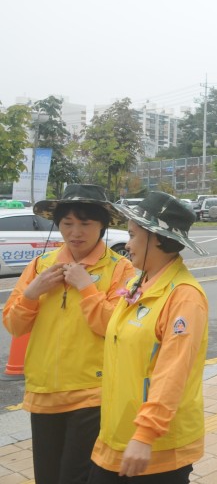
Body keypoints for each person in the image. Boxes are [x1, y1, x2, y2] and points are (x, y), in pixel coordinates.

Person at [2, 185, 134, 484]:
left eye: (86, 223)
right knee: (47, 477)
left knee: (76, 477)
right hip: (43, 392)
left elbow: (115, 328)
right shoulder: (41, 266)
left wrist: (86, 287)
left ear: (102, 225)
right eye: (67, 223)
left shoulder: (120, 269)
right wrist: (32, 294)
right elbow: (13, 324)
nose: (76, 232)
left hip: (92, 393)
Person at [88, 192, 209, 483]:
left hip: (156, 446)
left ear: (155, 238)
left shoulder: (184, 297)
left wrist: (145, 434)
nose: (127, 244)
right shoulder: (137, 283)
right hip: (118, 433)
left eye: (132, 235)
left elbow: (172, 373)